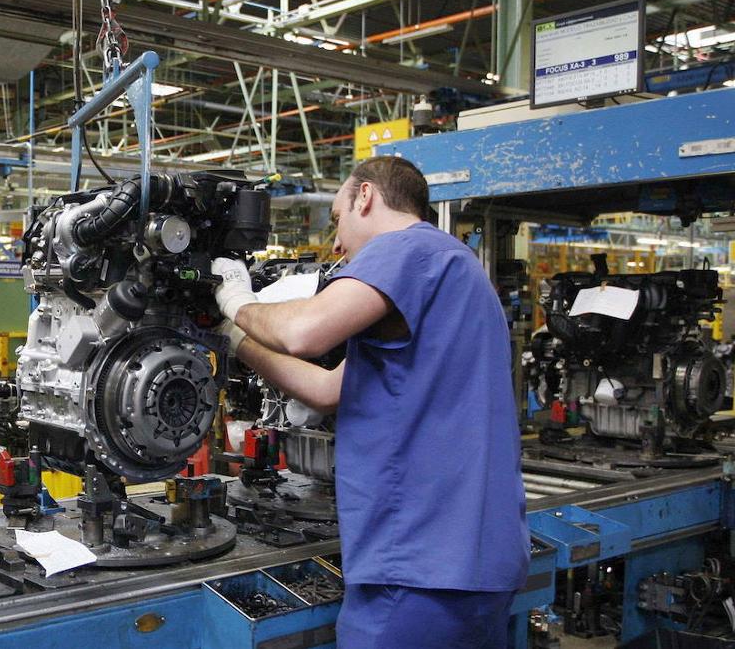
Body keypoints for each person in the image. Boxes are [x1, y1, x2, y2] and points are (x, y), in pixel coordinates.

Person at [213, 155, 528, 648]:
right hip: (477, 562)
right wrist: (236, 339)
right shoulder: (453, 269)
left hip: (421, 567)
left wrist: (235, 299)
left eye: (337, 219)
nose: (336, 244)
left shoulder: (409, 249)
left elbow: (303, 332)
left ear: (365, 197)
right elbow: (327, 389)